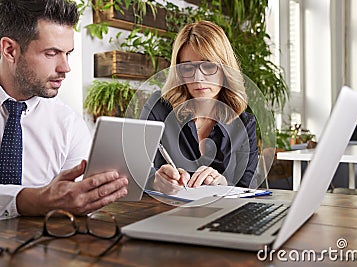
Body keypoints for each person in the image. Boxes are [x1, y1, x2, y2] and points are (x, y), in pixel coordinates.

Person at [0, 0, 128, 220]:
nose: (65, 67)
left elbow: (78, 199)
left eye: (68, 53)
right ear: (10, 50)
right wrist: (30, 200)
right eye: (51, 53)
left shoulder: (68, 124)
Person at [140, 20, 258, 195]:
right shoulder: (160, 107)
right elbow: (131, 167)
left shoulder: (244, 122)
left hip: (225, 217)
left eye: (208, 65)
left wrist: (224, 183)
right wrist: (154, 181)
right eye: (187, 67)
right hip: (168, 214)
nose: (198, 77)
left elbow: (247, 188)